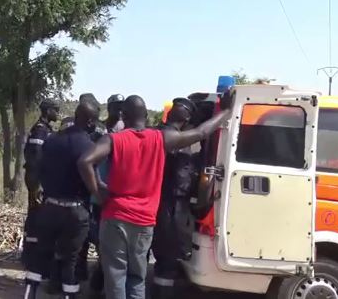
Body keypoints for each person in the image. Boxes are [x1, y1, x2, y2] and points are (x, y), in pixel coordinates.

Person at [78, 94, 232, 299]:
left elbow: (85, 161)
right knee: (137, 278)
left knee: (115, 275)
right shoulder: (161, 139)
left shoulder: (114, 139)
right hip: (144, 221)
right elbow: (202, 131)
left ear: (124, 115)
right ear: (145, 115)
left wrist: (97, 191)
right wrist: (227, 112)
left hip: (115, 217)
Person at [24, 101, 100, 299]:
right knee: (70, 262)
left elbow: (38, 169)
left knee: (40, 257)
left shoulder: (51, 140)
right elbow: (92, 182)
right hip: (75, 212)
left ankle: (29, 294)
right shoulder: (90, 147)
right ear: (91, 121)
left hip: (49, 208)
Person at [151, 98, 198, 299]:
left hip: (156, 201)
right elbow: (182, 181)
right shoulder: (180, 140)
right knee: (167, 258)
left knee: (160, 255)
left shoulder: (156, 134)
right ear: (187, 118)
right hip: (172, 205)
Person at [21, 98, 60, 291]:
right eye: (56, 110)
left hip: (40, 182)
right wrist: (35, 188)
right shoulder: (40, 131)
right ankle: (32, 261)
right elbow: (35, 160)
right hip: (37, 183)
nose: (58, 113)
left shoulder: (46, 129)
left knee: (38, 221)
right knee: (36, 223)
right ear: (47, 111)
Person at [89, 94, 125, 297]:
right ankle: (96, 286)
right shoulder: (98, 131)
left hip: (117, 196)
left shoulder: (125, 130)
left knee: (112, 246)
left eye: (122, 107)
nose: (119, 111)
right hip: (98, 196)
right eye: (116, 106)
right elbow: (90, 160)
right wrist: (97, 184)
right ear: (109, 108)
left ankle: (99, 285)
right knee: (101, 243)